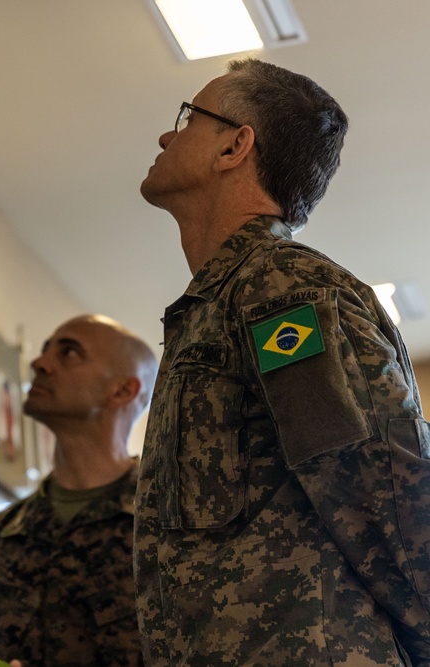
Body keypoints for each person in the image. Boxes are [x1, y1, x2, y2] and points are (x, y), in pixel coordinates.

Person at [135, 58, 430, 665]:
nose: (168, 135)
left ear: (235, 146)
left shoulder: (280, 288)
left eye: (188, 119)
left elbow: (380, 488)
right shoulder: (212, 307)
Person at [0, 314, 158, 667]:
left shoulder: (168, 525)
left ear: (123, 390)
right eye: (46, 350)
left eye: (70, 353)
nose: (39, 363)